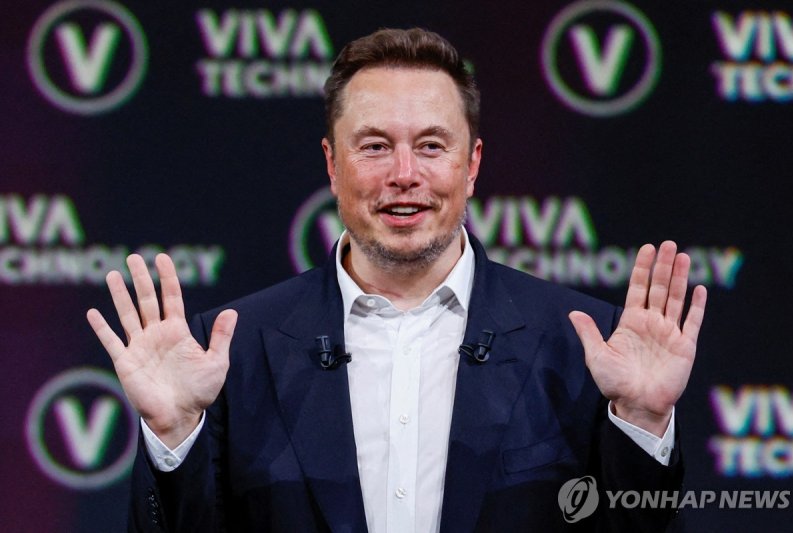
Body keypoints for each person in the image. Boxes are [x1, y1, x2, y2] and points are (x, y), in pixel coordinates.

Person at [87, 28, 706, 532]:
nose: (404, 174)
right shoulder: (231, 352)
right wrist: (174, 438)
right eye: (375, 146)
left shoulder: (584, 346)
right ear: (333, 165)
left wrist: (642, 424)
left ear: (472, 165)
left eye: (432, 146)